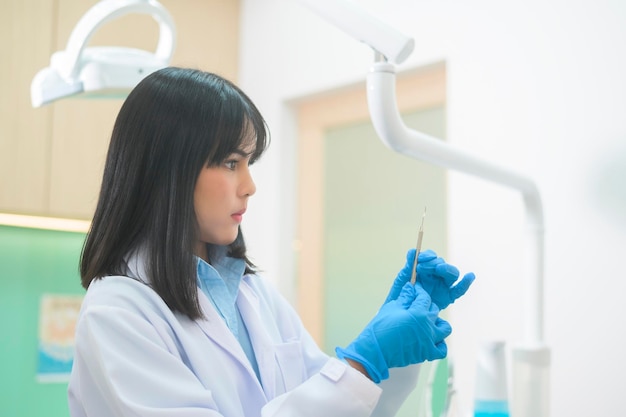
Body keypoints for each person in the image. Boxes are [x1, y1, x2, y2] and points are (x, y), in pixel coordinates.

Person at [68, 67, 475, 417]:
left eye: (249, 163)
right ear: (168, 172)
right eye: (231, 163)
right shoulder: (118, 313)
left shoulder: (249, 292)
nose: (249, 186)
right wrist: (364, 360)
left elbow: (336, 403)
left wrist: (390, 349)